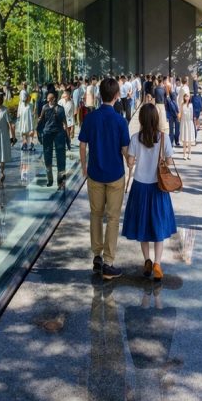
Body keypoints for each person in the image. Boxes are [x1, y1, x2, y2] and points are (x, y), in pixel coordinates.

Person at [78, 77, 131, 280]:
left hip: (95, 174)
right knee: (113, 218)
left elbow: (82, 145)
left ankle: (97, 256)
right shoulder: (120, 120)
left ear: (100, 95)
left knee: (96, 215)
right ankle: (109, 262)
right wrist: (130, 160)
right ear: (117, 96)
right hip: (115, 175)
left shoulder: (91, 118)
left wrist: (84, 166)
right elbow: (125, 149)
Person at [121, 104, 178, 281]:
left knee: (143, 226)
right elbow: (168, 162)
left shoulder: (135, 138)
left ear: (141, 119)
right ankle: (157, 264)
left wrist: (135, 159)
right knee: (158, 226)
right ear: (155, 119)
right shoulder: (163, 138)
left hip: (140, 186)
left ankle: (147, 260)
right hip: (158, 187)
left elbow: (130, 162)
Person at [38, 91, 69, 189]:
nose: (47, 101)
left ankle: (61, 182)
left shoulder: (60, 109)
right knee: (48, 156)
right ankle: (50, 179)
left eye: (48, 99)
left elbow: (65, 123)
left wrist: (68, 137)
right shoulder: (45, 107)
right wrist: (38, 131)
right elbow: (41, 119)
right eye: (47, 99)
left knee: (61, 157)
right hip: (48, 133)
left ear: (53, 99)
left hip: (58, 134)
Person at [17, 82, 36, 152]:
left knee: (26, 128)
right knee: (24, 128)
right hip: (24, 112)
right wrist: (18, 112)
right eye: (23, 84)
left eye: (25, 85)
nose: (24, 86)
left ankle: (28, 143)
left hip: (26, 112)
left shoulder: (29, 105)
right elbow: (21, 101)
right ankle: (26, 142)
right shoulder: (23, 93)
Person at [179, 92, 195, 159]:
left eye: (188, 97)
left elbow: (192, 115)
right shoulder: (182, 105)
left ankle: (189, 154)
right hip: (184, 122)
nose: (187, 98)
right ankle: (184, 154)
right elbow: (181, 114)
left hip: (189, 123)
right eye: (185, 97)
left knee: (189, 139)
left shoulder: (191, 105)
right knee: (185, 140)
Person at [166, 82, 180, 148]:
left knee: (173, 130)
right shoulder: (171, 94)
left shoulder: (170, 94)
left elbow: (173, 105)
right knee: (174, 129)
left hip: (173, 114)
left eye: (167, 87)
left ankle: (173, 142)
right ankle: (174, 141)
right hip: (173, 114)